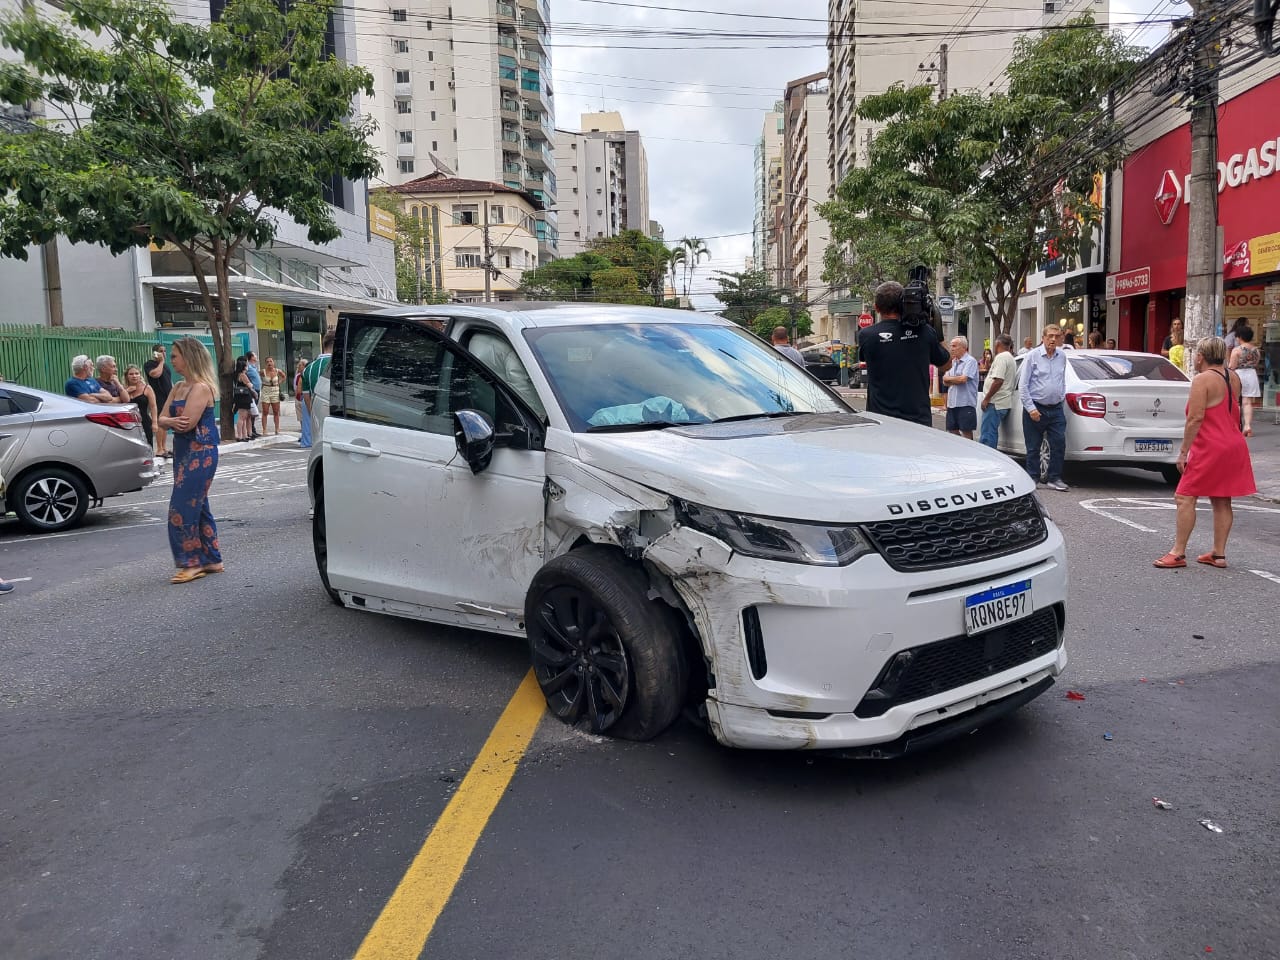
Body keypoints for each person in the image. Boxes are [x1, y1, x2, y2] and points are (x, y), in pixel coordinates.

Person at [1154, 337, 1255, 569]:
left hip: (1211, 446)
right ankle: (1219, 554)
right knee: (1221, 499)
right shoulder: (1234, 377)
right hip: (1233, 444)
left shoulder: (1202, 380)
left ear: (1200, 356)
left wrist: (1183, 452)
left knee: (1185, 496)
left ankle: (1178, 553)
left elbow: (1195, 418)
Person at [156, 337, 222, 583]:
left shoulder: (201, 388)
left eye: (174, 355)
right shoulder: (178, 387)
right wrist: (170, 422)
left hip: (200, 453)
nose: (171, 360)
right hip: (183, 452)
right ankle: (213, 560)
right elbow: (161, 419)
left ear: (189, 357)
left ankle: (191, 562)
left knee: (181, 508)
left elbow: (187, 423)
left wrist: (169, 422)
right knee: (200, 506)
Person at [856, 280, 951, 427]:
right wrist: (936, 329)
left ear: (877, 307)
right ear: (903, 304)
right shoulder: (925, 332)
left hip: (881, 423)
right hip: (918, 422)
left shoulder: (867, 335)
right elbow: (946, 365)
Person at [1018, 324, 1070, 491]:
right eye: (1050, 336)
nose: (1053, 339)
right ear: (1043, 338)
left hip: (1055, 408)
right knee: (1033, 446)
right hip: (1035, 407)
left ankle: (1054, 477)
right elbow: (1023, 385)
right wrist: (1031, 408)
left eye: (1057, 336)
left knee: (1059, 443)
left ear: (1061, 338)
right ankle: (1033, 477)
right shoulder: (1032, 356)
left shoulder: (1062, 356)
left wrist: (1061, 397)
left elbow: (1062, 379)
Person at [979, 334, 1017, 448]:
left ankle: (987, 460)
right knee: (990, 432)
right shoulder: (1010, 357)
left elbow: (998, 380)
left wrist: (986, 398)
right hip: (1001, 402)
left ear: (998, 344)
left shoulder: (1002, 357)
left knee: (987, 435)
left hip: (995, 403)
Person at [301, 330, 335, 447]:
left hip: (318, 418)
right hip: (336, 417)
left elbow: (306, 397)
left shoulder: (307, 369)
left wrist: (314, 416)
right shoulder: (338, 364)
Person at [1228, 326, 1262, 437]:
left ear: (1240, 337)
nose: (1236, 338)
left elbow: (1232, 366)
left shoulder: (1236, 350)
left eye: (1237, 336)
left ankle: (1236, 425)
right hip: (1251, 374)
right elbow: (1256, 363)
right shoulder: (1256, 350)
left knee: (1236, 401)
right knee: (1247, 402)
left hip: (1238, 375)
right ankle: (1247, 425)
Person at [942, 336, 979, 439]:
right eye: (951, 346)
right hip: (952, 403)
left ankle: (969, 453)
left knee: (966, 431)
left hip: (965, 403)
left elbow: (963, 379)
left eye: (954, 346)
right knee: (952, 430)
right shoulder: (953, 362)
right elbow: (944, 381)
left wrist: (951, 379)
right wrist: (954, 379)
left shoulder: (970, 361)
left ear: (963, 347)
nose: (951, 349)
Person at [144, 343, 174, 458]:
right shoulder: (149, 364)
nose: (164, 353)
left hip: (168, 396)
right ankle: (159, 449)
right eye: (161, 351)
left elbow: (169, 381)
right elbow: (155, 375)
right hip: (158, 397)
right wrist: (161, 362)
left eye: (165, 351)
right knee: (160, 422)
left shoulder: (165, 366)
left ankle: (164, 447)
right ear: (155, 353)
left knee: (165, 422)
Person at [124, 364, 158, 453]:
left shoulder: (147, 388)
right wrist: (126, 391)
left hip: (144, 422)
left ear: (140, 375)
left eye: (137, 373)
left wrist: (155, 423)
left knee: (147, 447)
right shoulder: (123, 389)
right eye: (131, 374)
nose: (134, 376)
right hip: (128, 423)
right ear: (127, 376)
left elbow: (153, 406)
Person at [258, 356, 287, 435]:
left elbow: (284, 376)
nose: (269, 363)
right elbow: (256, 377)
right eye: (267, 362)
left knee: (276, 411)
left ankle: (277, 428)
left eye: (271, 361)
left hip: (275, 391)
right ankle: (264, 429)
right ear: (265, 363)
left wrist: (279, 382)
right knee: (265, 411)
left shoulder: (278, 371)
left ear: (273, 362)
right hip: (266, 391)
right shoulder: (262, 372)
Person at [232, 356, 256, 442]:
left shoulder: (236, 375)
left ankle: (244, 435)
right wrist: (251, 384)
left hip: (240, 397)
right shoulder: (242, 375)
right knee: (242, 417)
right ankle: (240, 436)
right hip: (244, 397)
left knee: (244, 417)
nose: (247, 366)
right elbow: (250, 385)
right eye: (246, 365)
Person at [244, 351, 263, 438]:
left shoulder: (254, 367)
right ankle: (250, 430)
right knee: (252, 411)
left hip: (257, 390)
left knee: (254, 412)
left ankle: (253, 429)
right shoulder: (248, 367)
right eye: (254, 355)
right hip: (253, 391)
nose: (256, 356)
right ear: (251, 357)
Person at [293, 358, 312, 449]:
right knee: (303, 420)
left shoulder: (305, 374)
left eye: (300, 365)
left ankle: (307, 439)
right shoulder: (299, 375)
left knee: (306, 420)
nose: (298, 367)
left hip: (303, 398)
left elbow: (301, 389)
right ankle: (306, 438)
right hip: (300, 398)